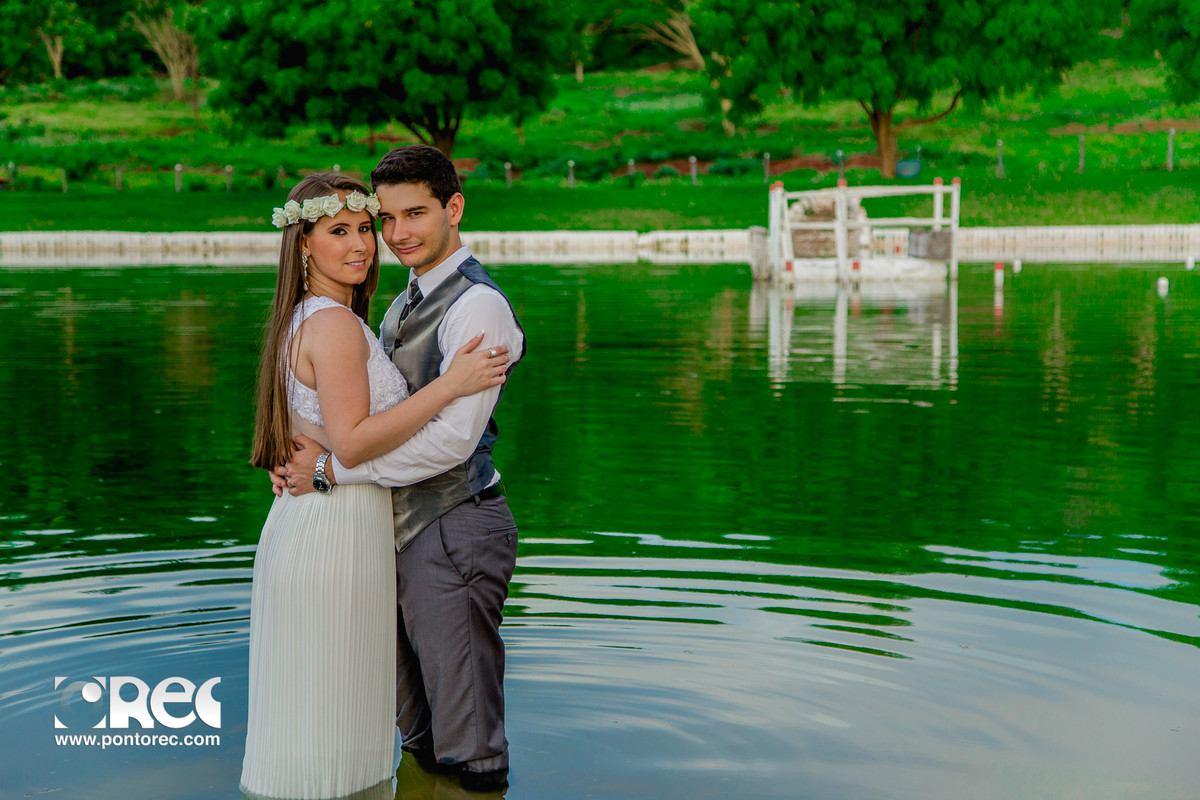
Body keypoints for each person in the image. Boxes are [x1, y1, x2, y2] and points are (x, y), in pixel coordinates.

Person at [241, 172, 511, 800]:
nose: (366, 244)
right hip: (334, 527)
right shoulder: (335, 324)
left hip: (339, 520)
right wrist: (450, 384)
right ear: (303, 243)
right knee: (333, 714)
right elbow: (357, 439)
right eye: (342, 231)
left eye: (366, 228)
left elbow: (342, 442)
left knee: (325, 713)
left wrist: (325, 467)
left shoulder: (323, 317)